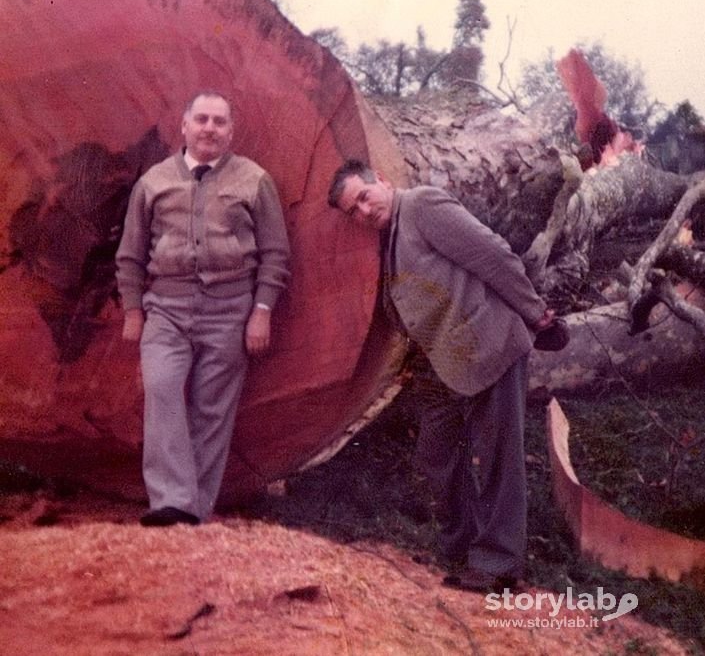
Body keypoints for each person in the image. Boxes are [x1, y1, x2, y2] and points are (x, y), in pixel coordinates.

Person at [327, 159, 556, 592]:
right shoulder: (386, 240)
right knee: (435, 452)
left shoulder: (423, 206)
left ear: (383, 180)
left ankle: (498, 566)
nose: (362, 212)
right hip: (447, 363)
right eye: (351, 211)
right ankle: (462, 546)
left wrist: (534, 312)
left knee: (497, 457)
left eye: (363, 196)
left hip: (491, 343)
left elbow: (493, 255)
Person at [116, 92, 290, 527]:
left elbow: (275, 253)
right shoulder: (154, 182)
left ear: (231, 131)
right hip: (167, 307)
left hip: (231, 307)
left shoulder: (254, 180)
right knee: (162, 389)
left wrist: (261, 310)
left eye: (219, 122)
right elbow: (130, 254)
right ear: (185, 125)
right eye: (202, 120)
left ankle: (193, 510)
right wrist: (134, 311)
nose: (210, 128)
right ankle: (171, 500)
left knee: (212, 409)